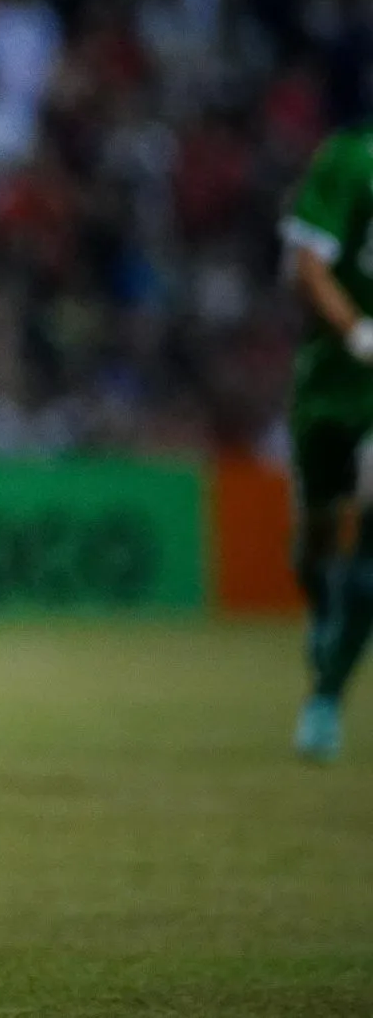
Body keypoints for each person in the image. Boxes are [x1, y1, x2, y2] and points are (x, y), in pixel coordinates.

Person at [280, 126, 373, 761]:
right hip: (330, 383)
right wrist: (361, 334)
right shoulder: (350, 160)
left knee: (370, 547)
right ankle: (322, 606)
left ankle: (325, 700)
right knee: (315, 539)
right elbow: (306, 268)